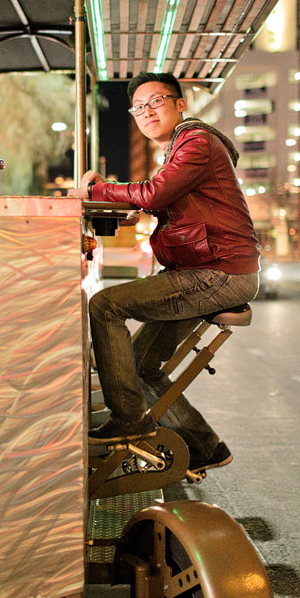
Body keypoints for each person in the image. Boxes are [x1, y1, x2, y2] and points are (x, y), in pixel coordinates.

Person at [74, 72, 260, 472]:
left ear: (180, 105)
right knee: (139, 364)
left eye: (156, 101)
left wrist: (98, 191)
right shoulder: (180, 149)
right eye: (138, 107)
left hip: (218, 272)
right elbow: (161, 199)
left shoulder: (196, 141)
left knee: (105, 306)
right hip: (209, 269)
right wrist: (120, 201)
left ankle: (128, 421)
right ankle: (206, 446)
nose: (147, 112)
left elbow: (156, 192)